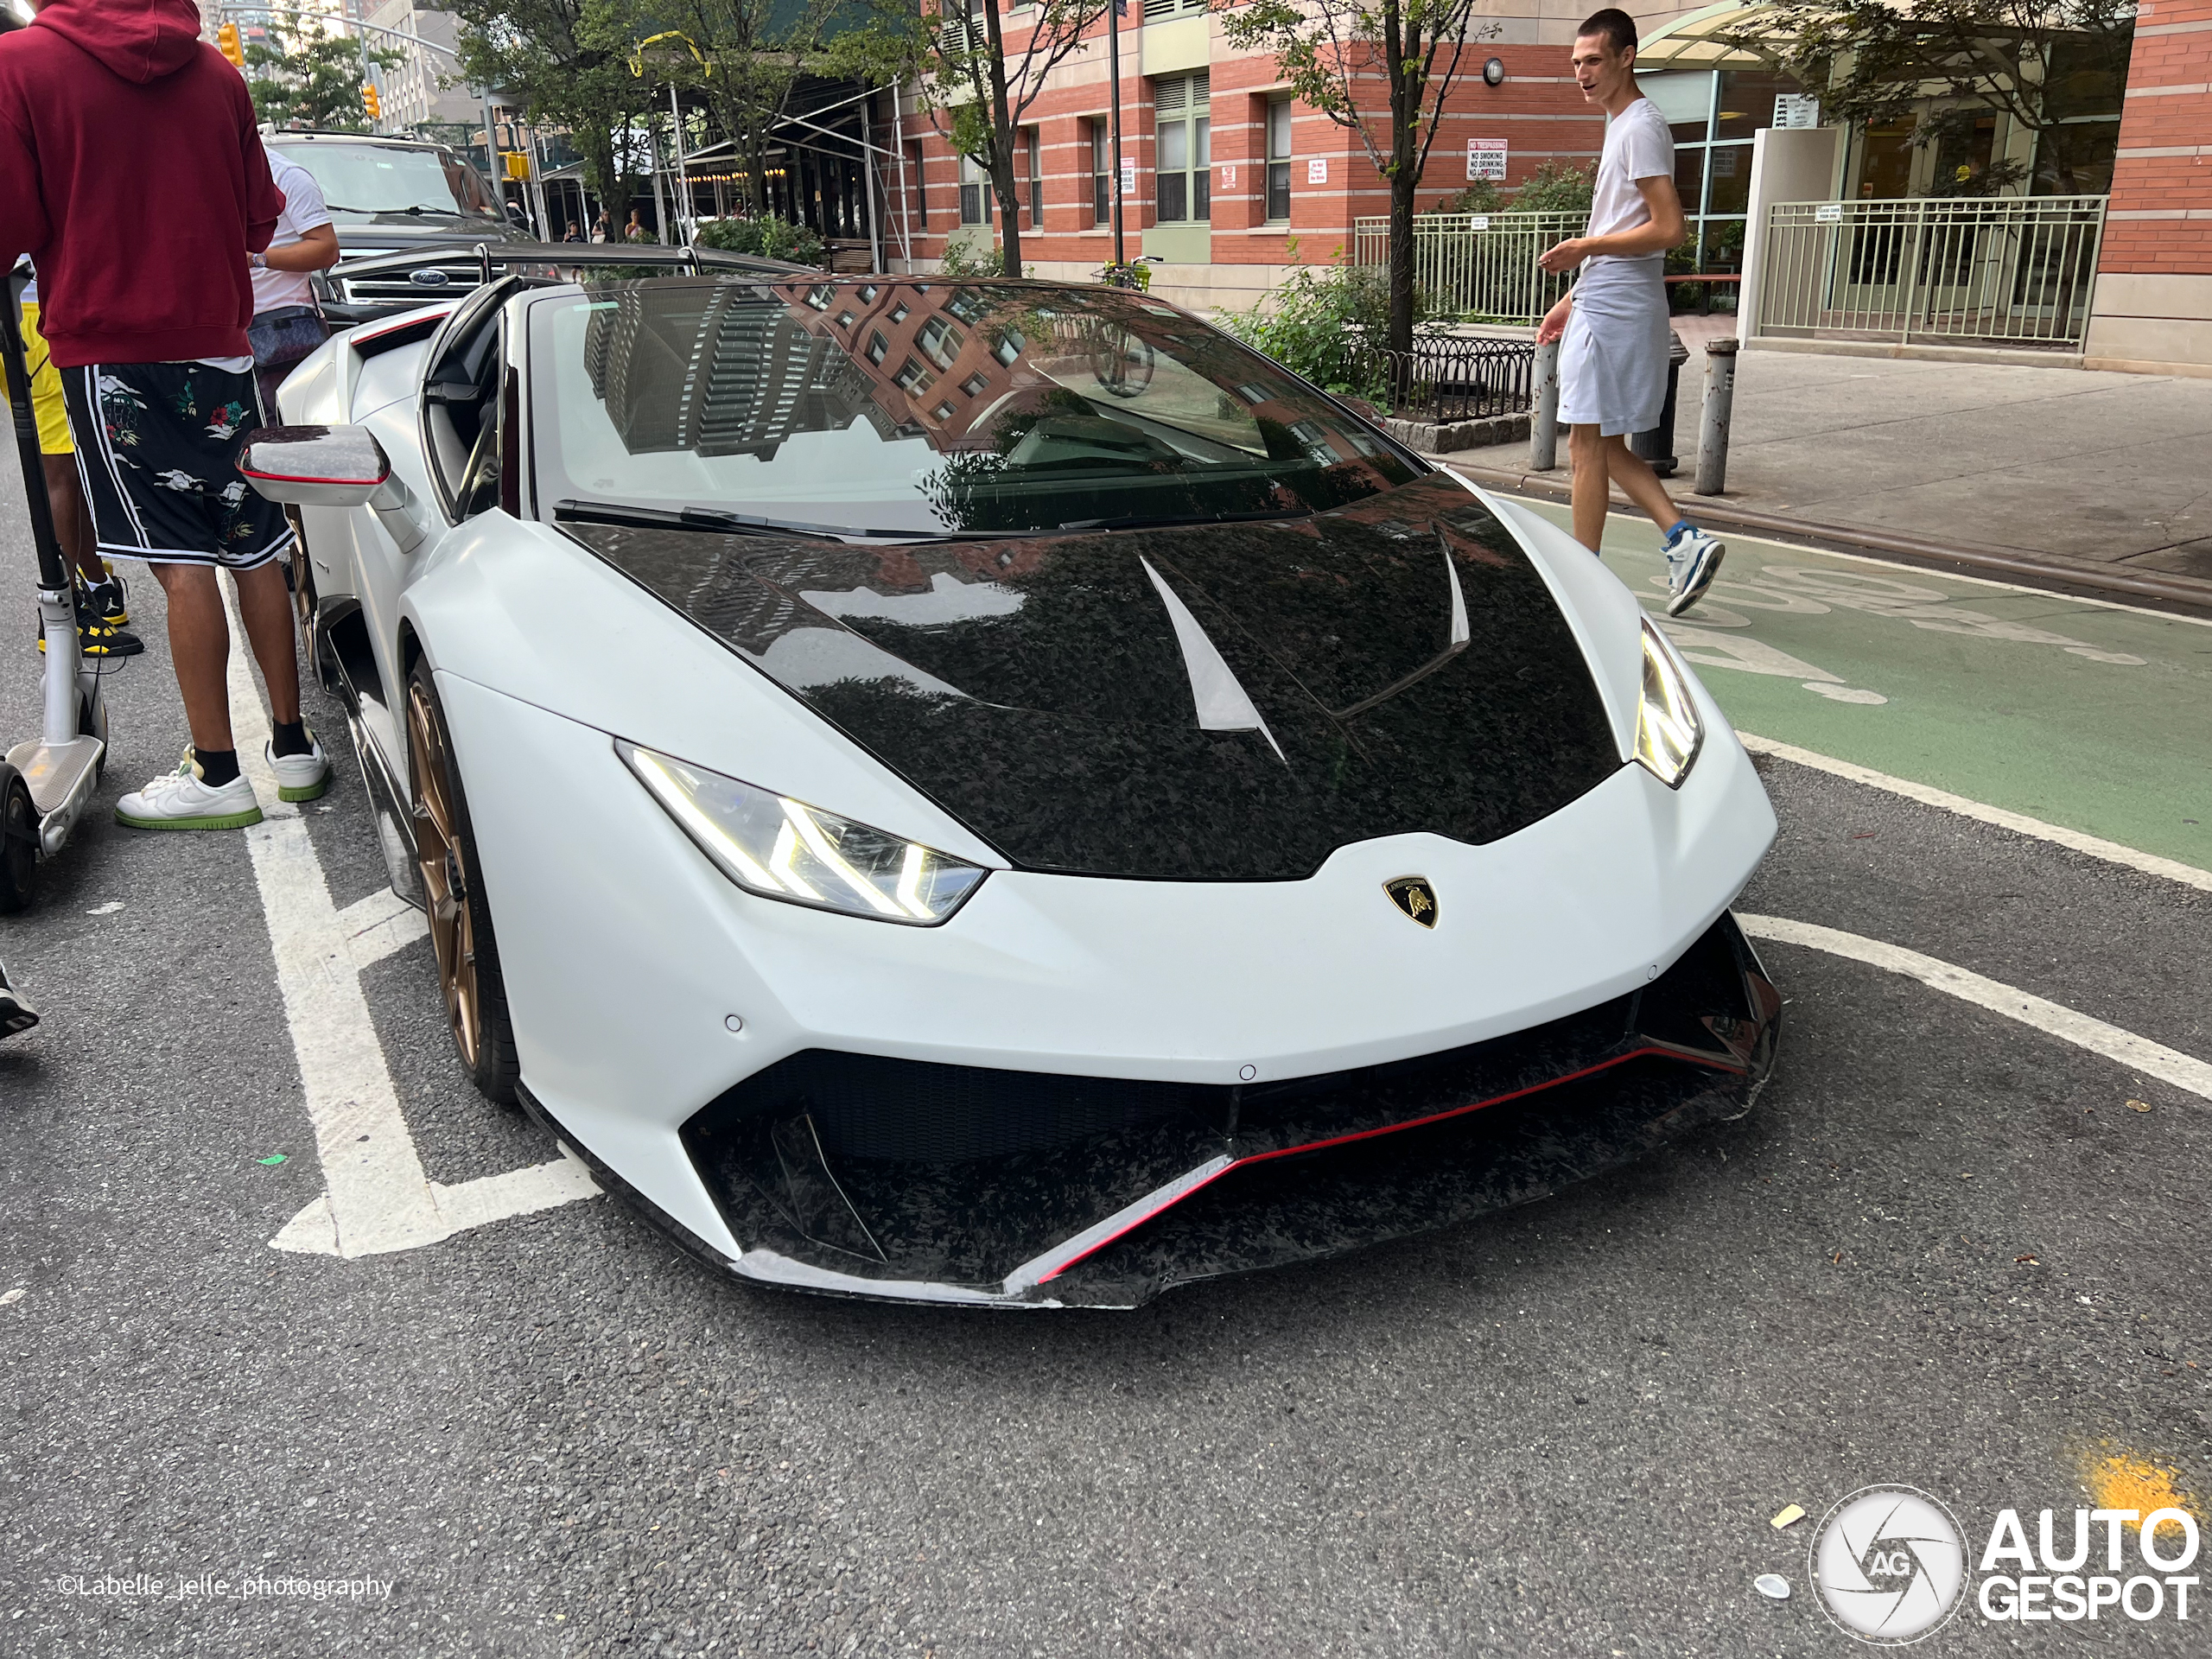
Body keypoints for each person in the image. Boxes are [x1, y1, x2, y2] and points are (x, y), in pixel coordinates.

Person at [0, 0, 331, 831]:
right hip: (219, 339)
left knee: (178, 559)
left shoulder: (24, 63)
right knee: (253, 540)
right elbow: (260, 215)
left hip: (109, 343)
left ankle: (217, 771)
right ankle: (291, 750)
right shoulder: (216, 72)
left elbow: (12, 224)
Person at [1536, 8, 1725, 617]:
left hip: (1615, 308)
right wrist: (1571, 301)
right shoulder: (1624, 125)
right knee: (1603, 445)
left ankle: (1582, 584)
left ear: (1626, 56)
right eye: (1576, 63)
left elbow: (1670, 228)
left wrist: (1583, 252)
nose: (1582, 73)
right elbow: (1624, 224)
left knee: (1586, 449)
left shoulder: (1639, 126)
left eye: (1593, 60)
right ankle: (1683, 538)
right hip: (1606, 300)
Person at [4, 258, 139, 656]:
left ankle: (94, 582)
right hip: (29, 310)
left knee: (64, 469)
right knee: (62, 471)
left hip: (18, 306)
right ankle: (64, 611)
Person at [247, 148, 340, 419]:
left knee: (292, 431)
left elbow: (327, 249)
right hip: (227, 332)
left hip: (281, 331)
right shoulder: (210, 172)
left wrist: (256, 259)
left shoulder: (286, 175)